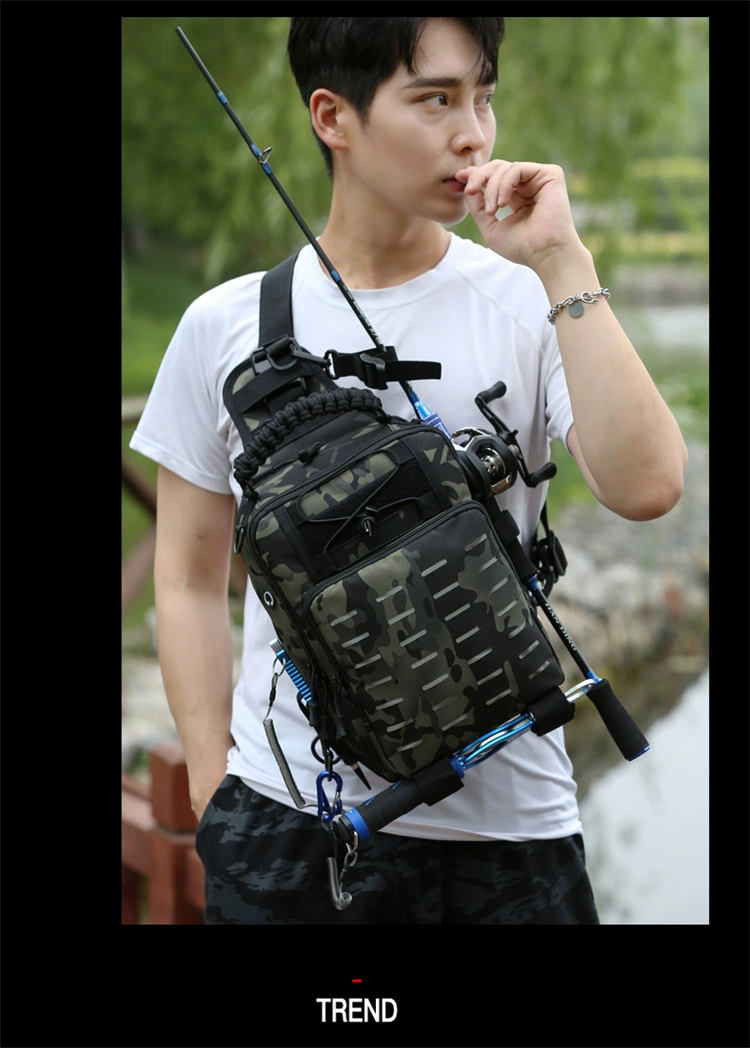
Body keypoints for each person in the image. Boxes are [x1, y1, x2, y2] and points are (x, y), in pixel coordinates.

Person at [130, 16, 688, 924]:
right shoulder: (224, 326)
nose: (472, 133)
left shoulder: (529, 300)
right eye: (435, 100)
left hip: (511, 834)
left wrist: (562, 261)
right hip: (287, 826)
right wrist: (211, 787)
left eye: (483, 98)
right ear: (332, 117)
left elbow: (649, 486)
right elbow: (188, 578)